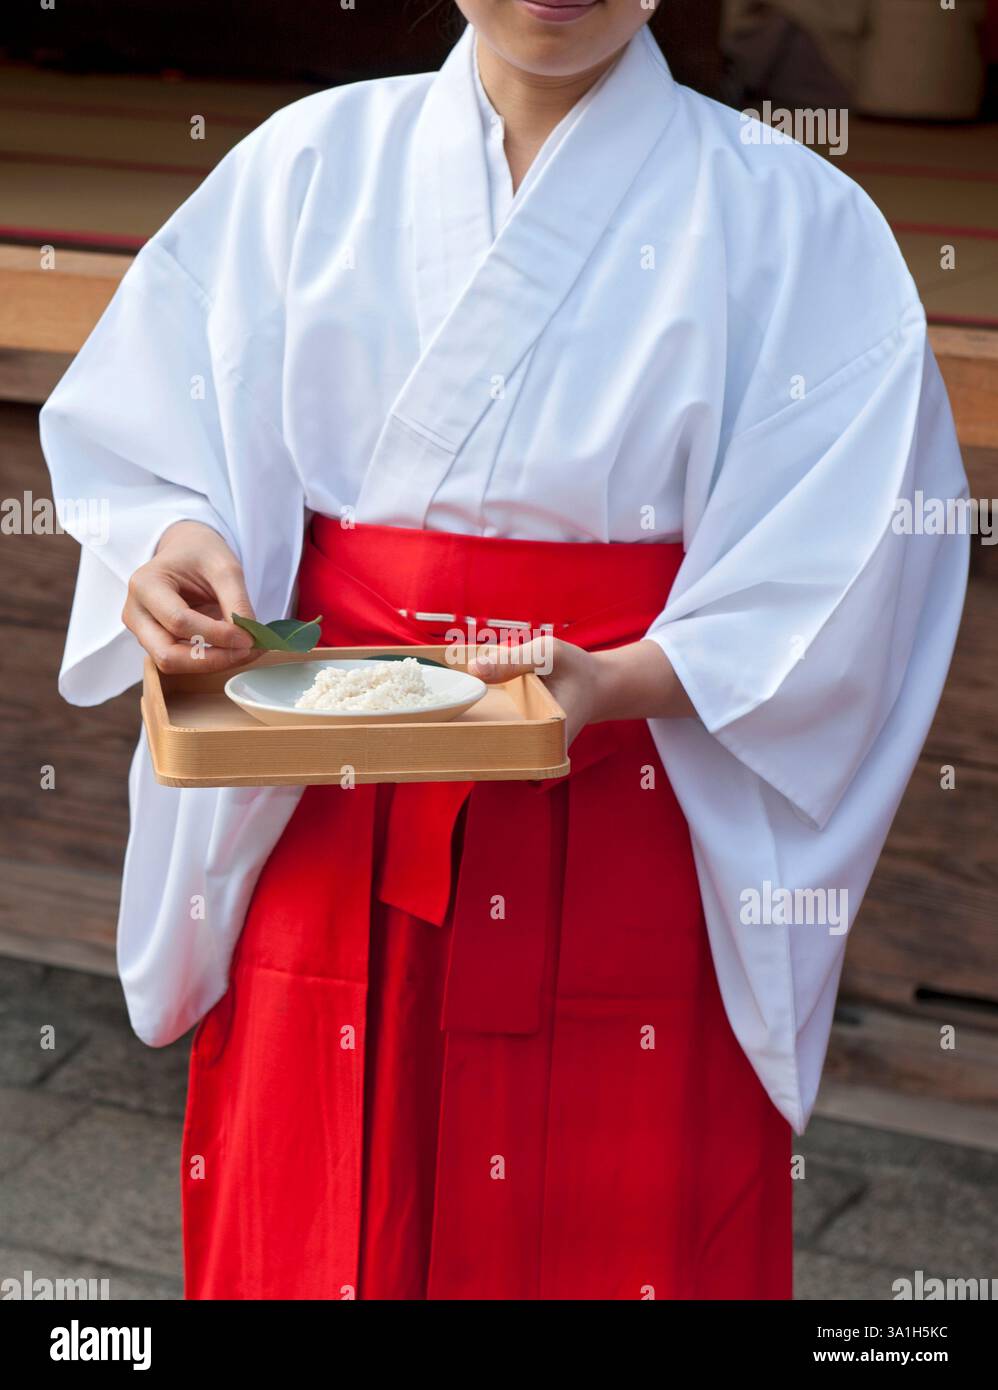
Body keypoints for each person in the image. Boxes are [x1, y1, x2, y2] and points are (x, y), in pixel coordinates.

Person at [40, 0, 969, 1299]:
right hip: (330, 772)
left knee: (610, 1210)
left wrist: (626, 678)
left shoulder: (794, 222)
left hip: (634, 786)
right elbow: (154, 434)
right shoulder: (306, 165)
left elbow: (853, 550)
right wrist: (182, 541)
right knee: (317, 1197)